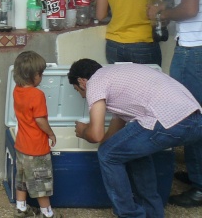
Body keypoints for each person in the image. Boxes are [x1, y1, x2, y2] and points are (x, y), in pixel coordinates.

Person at [69, 59, 202, 216]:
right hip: (195, 122)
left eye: (79, 91)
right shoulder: (117, 78)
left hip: (166, 120)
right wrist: (106, 146)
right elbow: (112, 138)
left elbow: (96, 135)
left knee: (107, 155)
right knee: (131, 152)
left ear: (82, 81)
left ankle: (129, 214)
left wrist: (84, 131)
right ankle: (153, 213)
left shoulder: (95, 81)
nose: (83, 96)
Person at [147, 0, 202, 206]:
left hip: (193, 46)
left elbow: (190, 8)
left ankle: (199, 185)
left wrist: (162, 12)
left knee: (189, 114)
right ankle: (197, 174)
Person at [12, 51, 58, 218]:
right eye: (41, 74)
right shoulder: (37, 95)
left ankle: (21, 208)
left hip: (21, 145)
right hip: (36, 147)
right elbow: (40, 120)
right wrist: (51, 133)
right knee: (41, 182)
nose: (42, 77)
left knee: (22, 178)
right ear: (33, 75)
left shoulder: (17, 90)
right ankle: (47, 213)